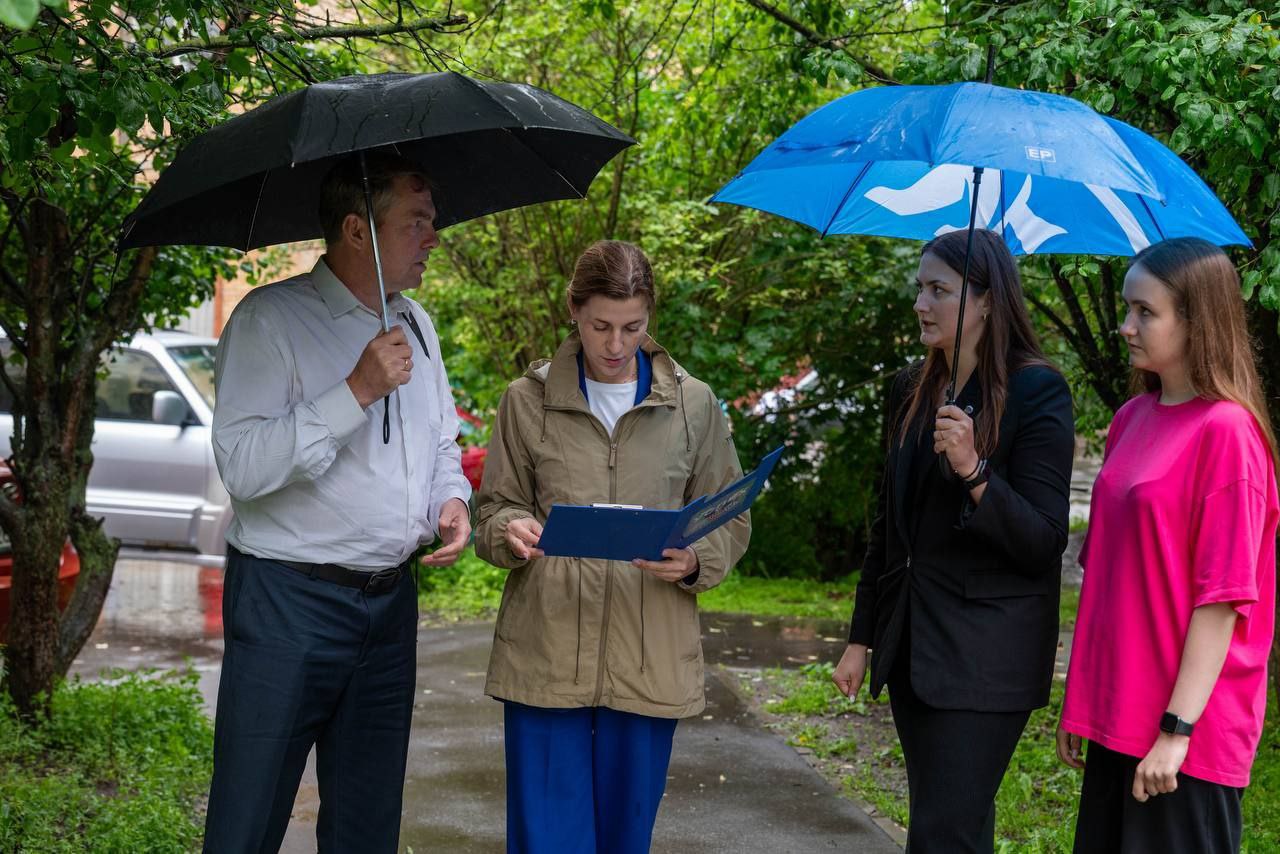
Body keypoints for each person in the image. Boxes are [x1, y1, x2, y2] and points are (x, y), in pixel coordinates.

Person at [203, 151, 473, 853]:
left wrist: (453, 500)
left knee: (366, 825)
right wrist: (354, 390)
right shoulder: (270, 322)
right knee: (247, 819)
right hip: (289, 605)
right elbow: (242, 466)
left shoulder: (417, 324)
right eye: (416, 222)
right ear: (358, 232)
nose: (432, 237)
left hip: (389, 610)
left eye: (431, 222)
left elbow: (443, 440)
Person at [473, 239, 751, 854]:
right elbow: (493, 509)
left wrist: (697, 558)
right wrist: (509, 532)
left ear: (650, 316)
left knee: (627, 841)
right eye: (601, 325)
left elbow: (730, 513)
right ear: (574, 312)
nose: (615, 344)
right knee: (545, 842)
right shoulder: (527, 400)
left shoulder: (693, 405)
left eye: (632, 327)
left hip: (648, 658)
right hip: (544, 658)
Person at [831, 228, 1075, 852]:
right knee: (951, 825)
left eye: (940, 290)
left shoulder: (1036, 392)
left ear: (988, 301)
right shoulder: (911, 391)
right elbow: (889, 529)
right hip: (914, 646)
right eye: (920, 288)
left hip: (986, 657)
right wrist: (862, 638)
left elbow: (1044, 542)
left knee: (945, 832)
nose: (921, 304)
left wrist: (974, 471)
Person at [1057, 237, 1278, 852]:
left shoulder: (1228, 432)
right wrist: (1081, 701)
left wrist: (1176, 731)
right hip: (1116, 715)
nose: (1125, 326)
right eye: (1127, 309)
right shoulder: (1132, 418)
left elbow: (1222, 600)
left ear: (1197, 321)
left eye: (1144, 312)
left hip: (1183, 739)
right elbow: (1106, 575)